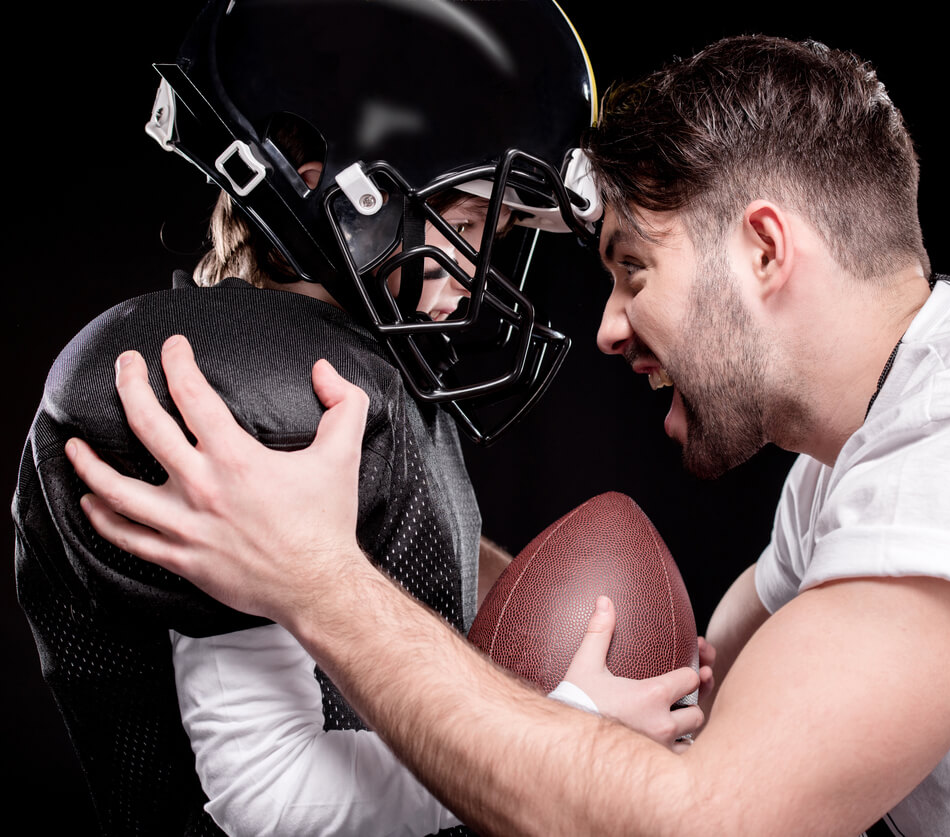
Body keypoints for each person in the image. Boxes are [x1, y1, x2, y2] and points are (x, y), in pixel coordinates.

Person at [66, 33, 950, 836]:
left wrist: (317, 585)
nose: (608, 327)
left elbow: (704, 821)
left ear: (767, 250)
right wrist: (349, 524)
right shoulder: (854, 476)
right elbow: (671, 691)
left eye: (633, 268)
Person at [14, 2, 703, 834]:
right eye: (473, 221)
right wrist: (567, 728)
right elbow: (268, 797)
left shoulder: (340, 365)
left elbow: (384, 568)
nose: (484, 271)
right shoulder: (240, 390)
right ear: (328, 188)